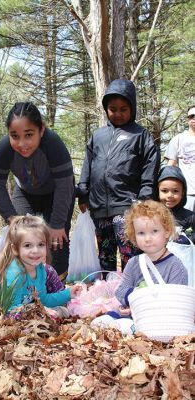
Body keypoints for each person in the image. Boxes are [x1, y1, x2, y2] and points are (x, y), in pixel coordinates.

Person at [77, 79, 160, 272]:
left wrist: (145, 196)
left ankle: (131, 291)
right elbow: (87, 165)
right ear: (106, 109)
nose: (118, 114)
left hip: (127, 205)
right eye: (113, 109)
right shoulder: (98, 135)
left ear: (132, 108)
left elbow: (150, 165)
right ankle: (107, 292)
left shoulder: (140, 135)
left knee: (129, 252)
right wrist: (83, 193)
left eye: (124, 109)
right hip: (98, 206)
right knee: (105, 254)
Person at [0, 101, 75, 280]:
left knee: (56, 243)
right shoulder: (4, 148)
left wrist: (58, 224)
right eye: (15, 136)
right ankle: (25, 284)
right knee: (22, 237)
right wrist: (10, 217)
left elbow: (65, 185)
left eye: (28, 135)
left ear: (41, 130)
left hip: (56, 194)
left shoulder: (53, 144)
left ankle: (55, 285)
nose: (22, 143)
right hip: (25, 194)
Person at [91, 200, 188, 333]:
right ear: (134, 236)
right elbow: (120, 291)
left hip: (160, 318)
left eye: (154, 231)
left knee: (121, 327)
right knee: (98, 323)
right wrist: (132, 300)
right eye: (141, 233)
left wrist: (147, 300)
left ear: (166, 232)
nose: (147, 238)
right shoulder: (134, 262)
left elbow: (177, 299)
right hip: (134, 312)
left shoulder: (176, 266)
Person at [0, 215, 81, 311]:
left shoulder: (40, 270)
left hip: (28, 314)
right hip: (12, 317)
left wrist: (68, 294)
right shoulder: (15, 273)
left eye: (40, 244)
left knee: (62, 311)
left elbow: (43, 300)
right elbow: (11, 309)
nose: (35, 250)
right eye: (27, 245)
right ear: (15, 249)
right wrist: (40, 311)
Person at [165, 105, 195, 212]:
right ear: (188, 120)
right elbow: (170, 166)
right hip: (187, 194)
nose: (194, 118)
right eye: (192, 116)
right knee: (187, 228)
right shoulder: (178, 139)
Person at [156, 165, 195, 243]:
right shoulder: (151, 214)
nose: (170, 195)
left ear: (183, 193)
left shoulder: (190, 217)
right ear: (157, 191)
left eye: (175, 191)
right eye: (164, 191)